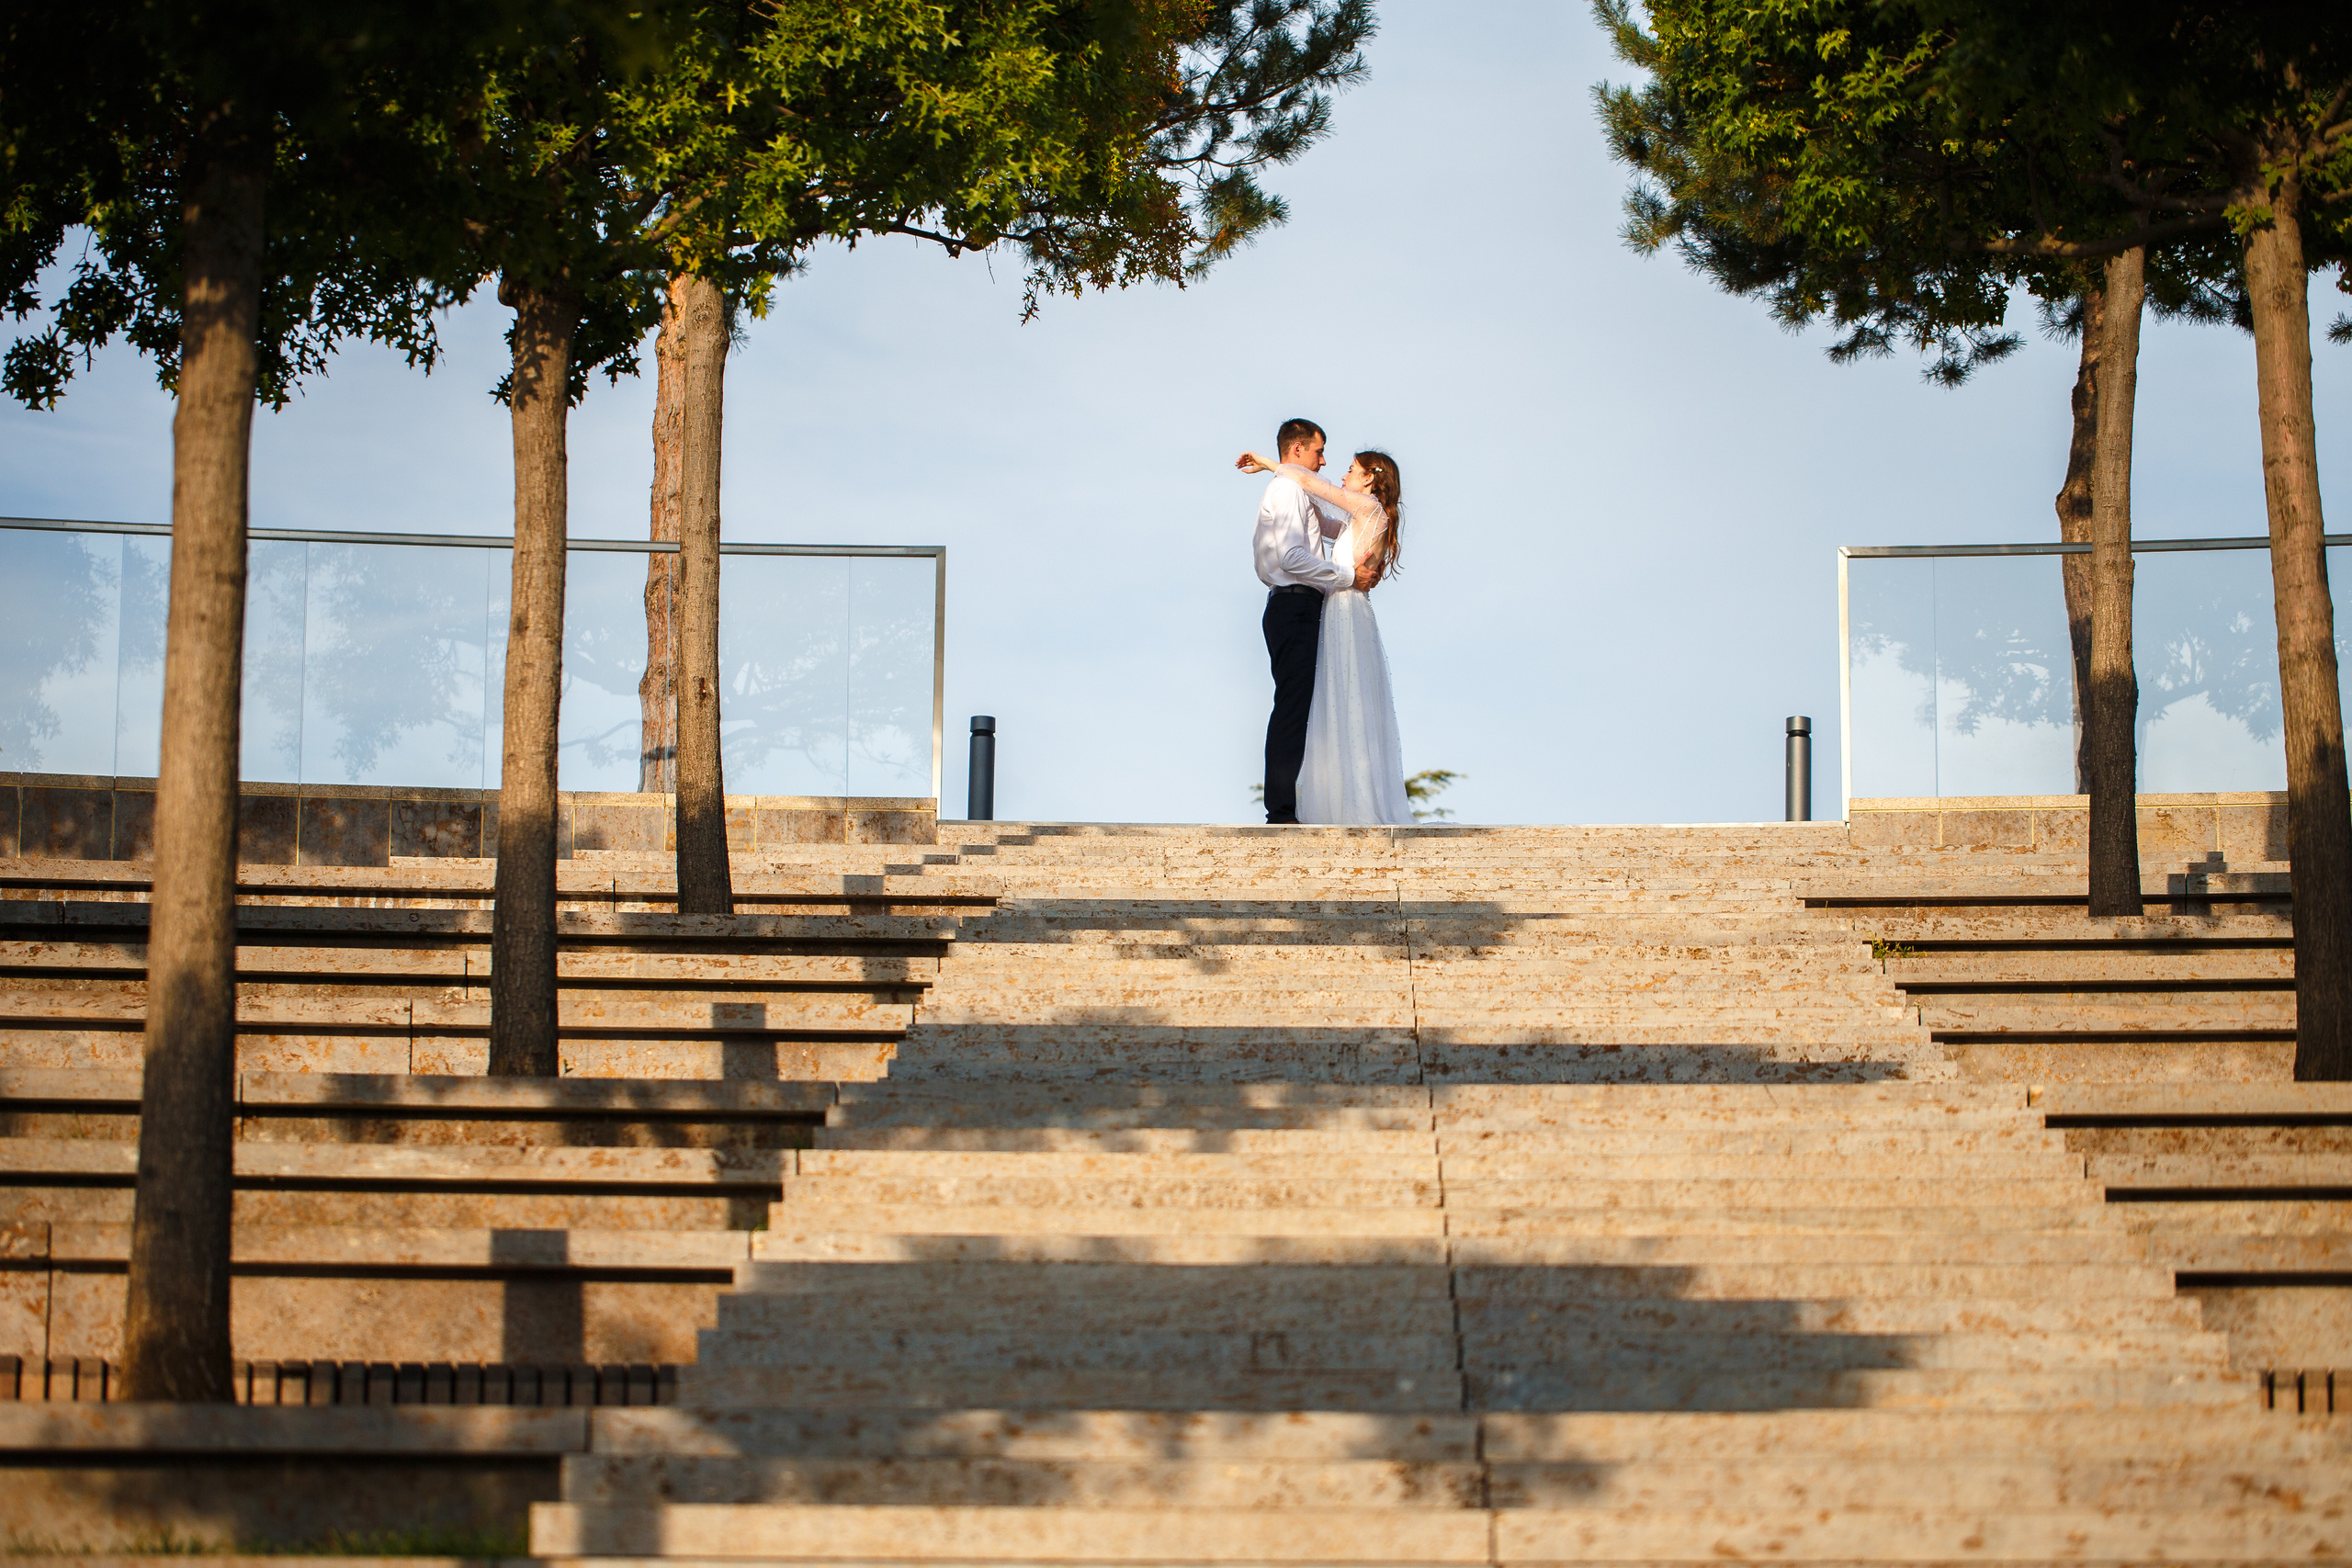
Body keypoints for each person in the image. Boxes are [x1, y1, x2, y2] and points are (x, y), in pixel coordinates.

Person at [1238, 442, 1412, 826]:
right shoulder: (1362, 517)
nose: (1343, 475)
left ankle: (1350, 802)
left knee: (1342, 695)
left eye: (1352, 469)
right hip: (1336, 610)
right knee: (1332, 698)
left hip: (1344, 611)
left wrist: (1270, 464)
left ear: (1369, 479)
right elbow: (1319, 515)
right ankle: (1337, 797)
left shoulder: (1369, 509)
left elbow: (1309, 482)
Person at [1249, 418, 1357, 825]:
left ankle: (1290, 805)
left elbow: (1333, 527)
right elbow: (1292, 557)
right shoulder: (1290, 490)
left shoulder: (1296, 491)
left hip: (1292, 607)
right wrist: (1347, 577)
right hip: (1294, 606)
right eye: (1318, 450)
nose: (1324, 460)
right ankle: (1281, 812)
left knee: (1298, 706)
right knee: (1293, 708)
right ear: (1297, 450)